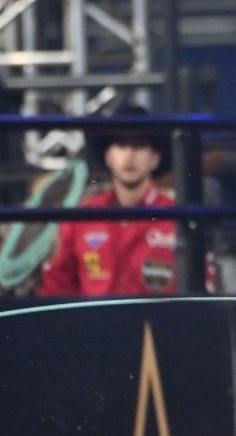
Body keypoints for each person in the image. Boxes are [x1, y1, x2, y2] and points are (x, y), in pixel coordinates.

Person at [37, 106, 179, 297]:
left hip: (160, 324)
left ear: (155, 158)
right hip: (94, 325)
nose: (129, 156)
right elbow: (56, 288)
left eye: (139, 146)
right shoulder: (80, 219)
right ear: (108, 156)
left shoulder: (177, 218)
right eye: (121, 145)